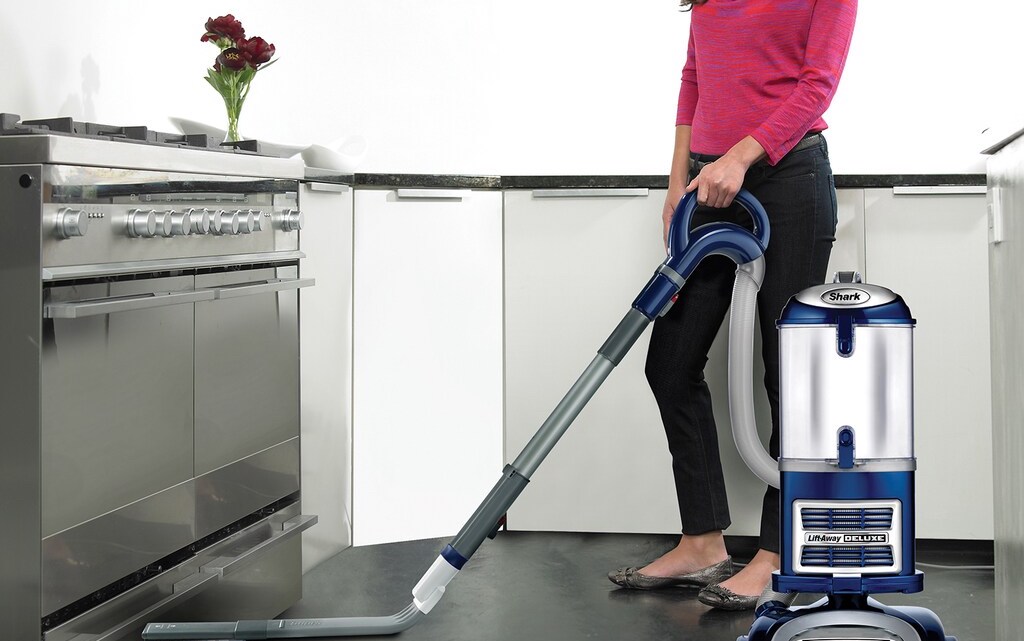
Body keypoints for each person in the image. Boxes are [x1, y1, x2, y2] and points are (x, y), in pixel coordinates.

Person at [608, 0, 858, 611]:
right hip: (708, 183)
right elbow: (695, 77)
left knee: (789, 372)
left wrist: (742, 156)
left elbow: (816, 86)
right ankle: (702, 540)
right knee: (669, 363)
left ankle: (779, 554)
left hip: (786, 178)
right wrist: (676, 184)